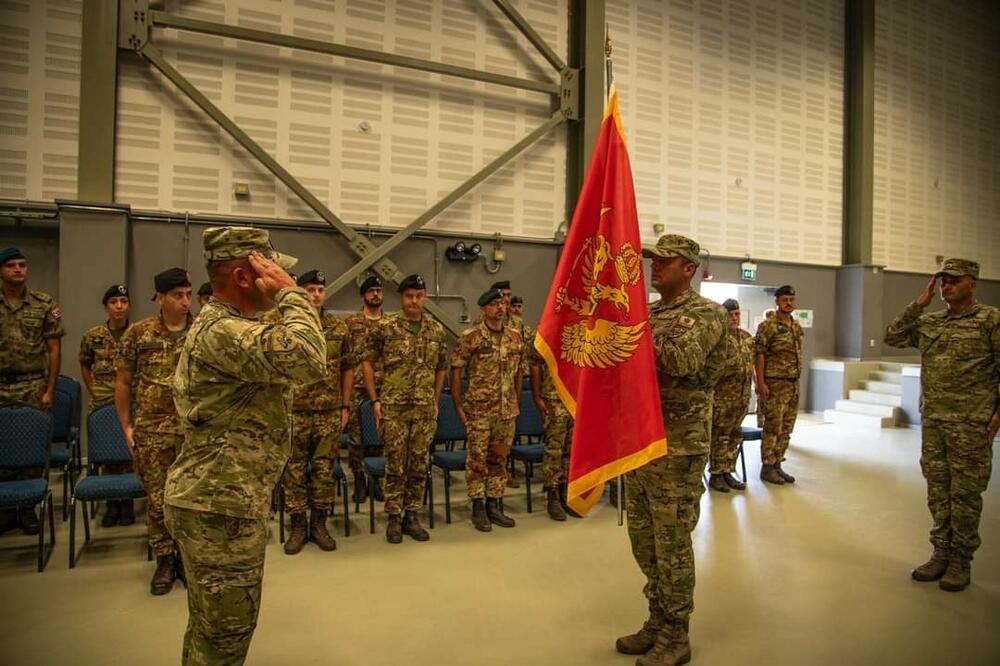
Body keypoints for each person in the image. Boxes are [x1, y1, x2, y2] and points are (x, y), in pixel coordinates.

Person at [165, 227, 325, 664]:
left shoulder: (232, 328)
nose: (280, 278)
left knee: (213, 632)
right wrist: (293, 295)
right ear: (242, 277)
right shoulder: (223, 333)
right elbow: (308, 358)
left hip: (221, 503)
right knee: (222, 640)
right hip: (219, 510)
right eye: (271, 272)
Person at [617, 234, 727, 666]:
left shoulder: (708, 314)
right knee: (643, 539)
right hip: (640, 441)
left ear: (689, 269)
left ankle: (677, 634)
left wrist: (633, 327)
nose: (654, 266)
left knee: (672, 542)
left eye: (665, 261)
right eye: (653, 260)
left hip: (677, 447)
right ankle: (657, 620)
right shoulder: (651, 312)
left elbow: (682, 361)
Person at [884, 258, 999, 592]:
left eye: (954, 280)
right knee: (938, 491)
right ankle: (940, 553)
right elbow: (893, 335)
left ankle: (961, 559)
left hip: (971, 424)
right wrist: (919, 304)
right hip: (934, 422)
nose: (947, 286)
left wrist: (998, 416)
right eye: (943, 281)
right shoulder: (931, 322)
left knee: (965, 493)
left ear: (972, 283)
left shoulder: (990, 320)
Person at [115, 267, 192, 595]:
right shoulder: (139, 333)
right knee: (159, 500)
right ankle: (164, 559)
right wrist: (126, 427)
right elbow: (123, 382)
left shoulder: (202, 331)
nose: (186, 301)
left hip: (194, 432)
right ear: (160, 298)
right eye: (178, 295)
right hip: (154, 431)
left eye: (189, 294)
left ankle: (188, 559)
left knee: (192, 500)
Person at [362, 274, 446, 544]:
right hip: (394, 408)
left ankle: (412, 515)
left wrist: (434, 400)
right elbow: (368, 364)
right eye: (409, 296)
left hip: (423, 409)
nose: (414, 301)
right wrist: (375, 401)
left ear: (425, 298)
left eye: (419, 296)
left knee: (418, 464)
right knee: (396, 465)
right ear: (402, 298)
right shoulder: (385, 327)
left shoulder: (436, 331)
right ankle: (394, 519)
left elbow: (441, 367)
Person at [277, 269, 353, 555]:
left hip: (328, 411)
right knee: (293, 470)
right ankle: (297, 526)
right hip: (292, 412)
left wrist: (345, 406)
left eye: (320, 289)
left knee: (323, 470)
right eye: (310, 289)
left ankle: (319, 524)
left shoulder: (337, 328)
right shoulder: (280, 324)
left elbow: (348, 368)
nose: (317, 295)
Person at [0, 246, 64, 535]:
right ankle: (5, 509)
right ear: (1, 270)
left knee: (31, 447)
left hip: (32, 383)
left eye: (22, 265)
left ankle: (27, 509)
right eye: (11, 265)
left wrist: (50, 389)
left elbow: (53, 348)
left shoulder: (42, 304)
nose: (18, 270)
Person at [451, 288, 524, 531]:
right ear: (483, 309)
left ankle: (495, 503)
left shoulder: (515, 337)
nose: (500, 307)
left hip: (506, 411)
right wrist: (458, 405)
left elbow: (518, 372)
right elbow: (456, 370)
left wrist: (516, 402)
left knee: (499, 459)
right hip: (479, 411)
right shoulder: (471, 337)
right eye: (494, 304)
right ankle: (478, 506)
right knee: (477, 461)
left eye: (502, 303)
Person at [79, 283, 136, 526]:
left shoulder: (137, 333)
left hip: (131, 400)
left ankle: (128, 503)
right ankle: (112, 506)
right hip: (102, 400)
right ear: (106, 307)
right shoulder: (93, 336)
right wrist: (93, 390)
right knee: (109, 456)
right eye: (114, 302)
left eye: (123, 302)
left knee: (129, 452)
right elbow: (85, 363)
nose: (119, 306)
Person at [754, 285, 803, 485]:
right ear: (777, 301)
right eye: (785, 299)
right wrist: (760, 382)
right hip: (774, 384)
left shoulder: (796, 326)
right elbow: (760, 354)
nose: (789, 303)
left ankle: (777, 463)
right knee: (772, 426)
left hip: (793, 384)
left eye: (791, 299)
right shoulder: (768, 326)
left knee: (786, 427)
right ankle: (767, 466)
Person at [344, 274, 385, 504]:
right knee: (357, 439)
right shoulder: (351, 323)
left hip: (382, 387)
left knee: (379, 435)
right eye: (371, 291)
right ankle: (359, 480)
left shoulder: (390, 325)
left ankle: (375, 481)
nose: (376, 294)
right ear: (363, 295)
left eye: (379, 290)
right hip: (357, 387)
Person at [708, 298, 754, 493]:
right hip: (722, 396)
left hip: (742, 396)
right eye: (731, 315)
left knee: (735, 434)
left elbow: (750, 363)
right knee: (720, 435)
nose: (735, 318)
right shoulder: (717, 338)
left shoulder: (746, 337)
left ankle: (728, 470)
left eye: (737, 314)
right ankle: (716, 474)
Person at [528, 334, 576, 521]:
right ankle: (553, 493)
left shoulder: (581, 328)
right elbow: (534, 364)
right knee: (555, 448)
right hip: (554, 397)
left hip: (576, 398)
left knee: (572, 448)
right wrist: (537, 396)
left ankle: (567, 492)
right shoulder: (549, 329)